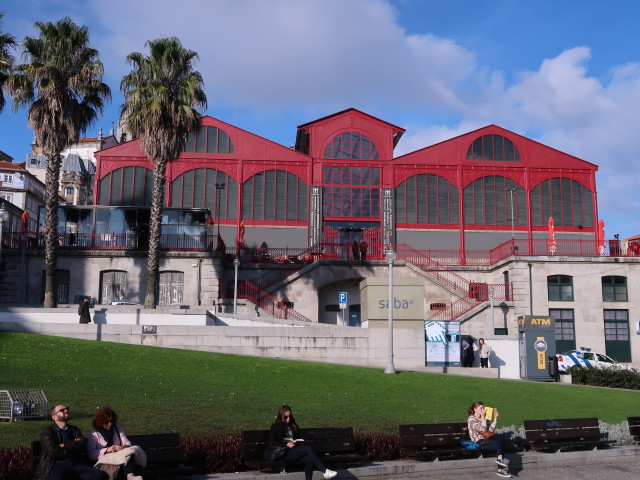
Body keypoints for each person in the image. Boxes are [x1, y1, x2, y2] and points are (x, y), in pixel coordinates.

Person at [33, 404, 107, 480]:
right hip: (56, 466)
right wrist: (74, 446)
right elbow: (53, 452)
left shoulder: (74, 430)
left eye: (67, 408)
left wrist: (64, 445)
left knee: (100, 476)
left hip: (75, 465)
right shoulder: (48, 432)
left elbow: (83, 445)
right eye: (62, 410)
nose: (66, 410)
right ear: (54, 417)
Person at [264, 405, 337, 480]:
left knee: (309, 459)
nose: (288, 419)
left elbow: (298, 438)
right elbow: (272, 443)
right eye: (285, 417)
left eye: (290, 416)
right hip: (284, 453)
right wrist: (286, 444)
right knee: (307, 449)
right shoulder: (276, 426)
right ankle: (325, 470)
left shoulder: (293, 425)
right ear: (281, 416)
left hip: (295, 450)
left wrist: (298, 442)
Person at [87, 406, 145, 480]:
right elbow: (91, 454)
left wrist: (123, 447)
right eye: (106, 422)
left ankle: (130, 476)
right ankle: (130, 476)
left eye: (111, 421)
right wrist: (108, 450)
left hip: (119, 459)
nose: (110, 424)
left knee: (131, 451)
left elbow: (127, 442)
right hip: (105, 464)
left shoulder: (117, 427)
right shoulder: (94, 433)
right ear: (101, 422)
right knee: (127, 459)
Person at [467, 401, 511, 478]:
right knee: (499, 443)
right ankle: (500, 470)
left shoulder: (485, 418)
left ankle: (500, 459)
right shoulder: (471, 419)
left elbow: (490, 431)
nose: (483, 410)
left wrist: (495, 419)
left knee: (500, 438)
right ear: (475, 409)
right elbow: (483, 430)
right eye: (481, 408)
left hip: (486, 439)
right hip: (478, 441)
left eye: (483, 408)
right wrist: (483, 417)